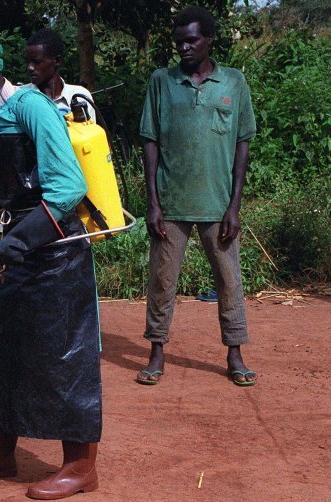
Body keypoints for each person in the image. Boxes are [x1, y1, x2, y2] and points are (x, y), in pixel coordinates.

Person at [0, 33, 102, 500]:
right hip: (19, 249)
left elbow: (68, 187)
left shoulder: (32, 107)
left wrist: (19, 242)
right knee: (2, 351)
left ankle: (80, 466)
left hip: (55, 253)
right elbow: (6, 189)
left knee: (63, 356)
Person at [136, 6, 257, 387]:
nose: (184, 47)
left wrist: (234, 207)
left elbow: (242, 145)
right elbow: (150, 142)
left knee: (229, 281)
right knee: (161, 280)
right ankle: (157, 352)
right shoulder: (162, 81)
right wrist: (153, 202)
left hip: (218, 206)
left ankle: (235, 353)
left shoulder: (234, 83)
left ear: (209, 39)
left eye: (192, 40)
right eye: (179, 41)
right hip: (171, 205)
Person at [24, 28, 92, 119]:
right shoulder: (20, 98)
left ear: (57, 60)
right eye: (27, 62)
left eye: (36, 62)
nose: (30, 68)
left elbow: (91, 131)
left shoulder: (81, 96)